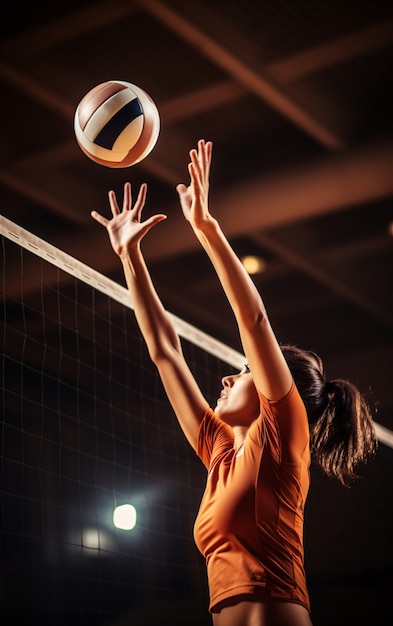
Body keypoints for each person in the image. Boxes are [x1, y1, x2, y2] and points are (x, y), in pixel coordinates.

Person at [91, 140, 377, 626]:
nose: (229, 375)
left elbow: (255, 322)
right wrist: (129, 256)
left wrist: (206, 227)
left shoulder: (285, 436)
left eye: (244, 370)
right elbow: (165, 353)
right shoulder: (221, 455)